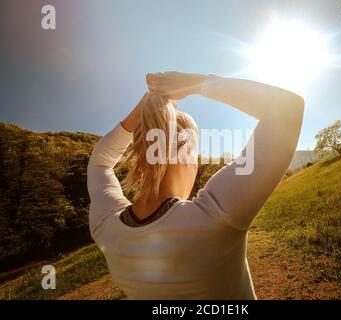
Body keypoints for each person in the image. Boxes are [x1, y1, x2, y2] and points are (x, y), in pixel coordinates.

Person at [87, 71, 304, 299]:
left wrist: (141, 112)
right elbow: (288, 107)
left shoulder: (105, 227)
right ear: (186, 150)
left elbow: (100, 163)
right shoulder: (215, 216)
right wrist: (196, 83)